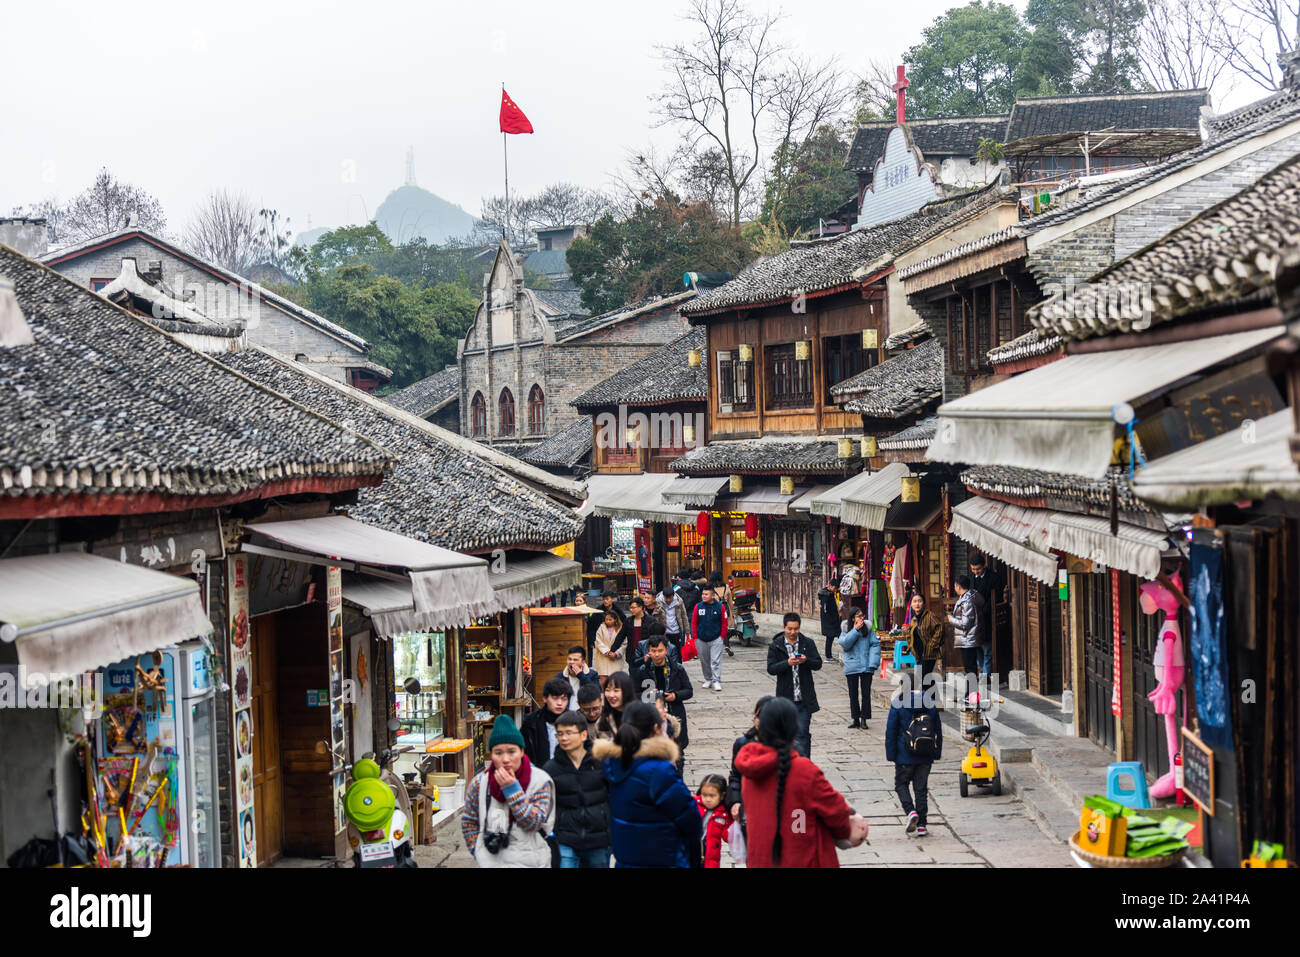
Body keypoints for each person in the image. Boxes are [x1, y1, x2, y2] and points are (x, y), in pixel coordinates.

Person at [735, 698, 869, 868]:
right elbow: (836, 812)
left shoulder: (749, 768)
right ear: (794, 729)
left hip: (761, 860)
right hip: (802, 859)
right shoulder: (803, 770)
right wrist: (849, 828)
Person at [593, 701, 702, 868]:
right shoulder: (659, 771)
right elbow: (690, 819)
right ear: (657, 729)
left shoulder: (611, 764)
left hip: (626, 860)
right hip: (663, 859)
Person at [461, 714, 556, 867]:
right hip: (492, 861)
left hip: (532, 862)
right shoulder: (480, 783)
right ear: (491, 755)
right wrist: (478, 851)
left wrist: (512, 790)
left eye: (512, 751)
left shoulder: (540, 781)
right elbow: (468, 822)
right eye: (498, 753)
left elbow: (534, 823)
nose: (505, 759)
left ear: (522, 751)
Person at [543, 711, 611, 868]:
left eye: (569, 733)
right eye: (559, 733)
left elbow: (612, 796)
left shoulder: (601, 762)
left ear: (583, 735)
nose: (563, 738)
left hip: (599, 839)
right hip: (565, 839)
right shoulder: (551, 768)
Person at [886, 681, 943, 837]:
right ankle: (922, 825)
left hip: (904, 755)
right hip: (925, 754)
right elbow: (937, 730)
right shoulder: (929, 703)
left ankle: (911, 812)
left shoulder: (898, 703)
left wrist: (891, 755)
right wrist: (936, 753)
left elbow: (890, 732)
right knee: (921, 789)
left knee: (901, 784)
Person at [766, 612, 823, 757]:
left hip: (804, 699)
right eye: (790, 629)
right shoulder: (776, 645)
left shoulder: (807, 643)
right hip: (785, 700)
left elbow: (818, 664)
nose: (792, 632)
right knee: (785, 736)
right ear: (784, 627)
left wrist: (806, 660)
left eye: (796, 629)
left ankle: (804, 766)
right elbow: (771, 668)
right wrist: (787, 663)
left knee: (803, 733)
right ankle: (788, 765)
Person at [633, 635, 693, 753]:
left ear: (666, 650)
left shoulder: (677, 668)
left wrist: (675, 696)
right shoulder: (643, 670)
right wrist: (647, 695)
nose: (656, 654)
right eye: (653, 651)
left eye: (660, 651)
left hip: (674, 712)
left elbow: (688, 691)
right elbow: (634, 694)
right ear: (648, 651)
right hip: (651, 715)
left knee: (677, 750)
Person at [726, 695, 774, 823]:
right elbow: (735, 776)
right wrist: (735, 801)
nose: (759, 721)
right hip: (749, 808)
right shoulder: (742, 744)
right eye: (757, 716)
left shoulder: (789, 748)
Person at [837, 607, 881, 730]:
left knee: (866, 694)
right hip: (852, 665)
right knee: (853, 694)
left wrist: (873, 663)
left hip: (866, 665)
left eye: (862, 615)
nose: (862, 618)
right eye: (858, 616)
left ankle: (864, 719)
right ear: (852, 618)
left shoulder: (868, 629)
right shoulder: (846, 629)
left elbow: (875, 645)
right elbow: (845, 644)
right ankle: (855, 718)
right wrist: (855, 631)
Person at [521, 677, 570, 767]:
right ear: (545, 698)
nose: (559, 703)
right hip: (538, 774)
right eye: (555, 698)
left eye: (564, 699)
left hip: (566, 774)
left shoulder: (574, 722)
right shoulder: (531, 722)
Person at [691, 584, 730, 691]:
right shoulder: (698, 607)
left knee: (715, 661)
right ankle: (708, 679)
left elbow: (724, 622)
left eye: (706, 594)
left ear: (712, 595)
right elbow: (694, 622)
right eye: (703, 594)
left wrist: (722, 636)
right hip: (701, 639)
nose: (703, 596)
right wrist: (695, 636)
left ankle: (716, 680)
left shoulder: (720, 607)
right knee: (704, 660)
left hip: (716, 638)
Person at [968, 554, 1001, 678]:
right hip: (973, 618)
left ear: (984, 566)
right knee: (974, 645)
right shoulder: (971, 579)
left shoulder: (993, 578)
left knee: (987, 648)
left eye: (978, 569)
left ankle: (986, 674)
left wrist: (983, 611)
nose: (976, 572)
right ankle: (983, 667)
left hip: (987, 616)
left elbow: (995, 597)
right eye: (973, 569)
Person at [949, 575, 983, 681]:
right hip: (968, 638)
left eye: (955, 586)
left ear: (958, 586)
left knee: (970, 668)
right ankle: (970, 695)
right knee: (970, 668)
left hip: (967, 638)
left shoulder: (967, 601)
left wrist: (951, 619)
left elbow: (965, 624)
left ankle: (971, 695)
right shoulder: (971, 596)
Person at [695, 774, 732, 869]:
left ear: (722, 796)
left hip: (711, 856)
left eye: (712, 796)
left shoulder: (724, 814)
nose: (707, 799)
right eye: (704, 795)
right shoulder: (693, 804)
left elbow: (727, 837)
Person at [909, 593, 946, 685]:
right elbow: (910, 635)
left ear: (924, 604)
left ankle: (931, 697)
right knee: (925, 678)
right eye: (915, 601)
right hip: (918, 654)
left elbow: (940, 628)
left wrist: (932, 644)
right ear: (912, 605)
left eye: (920, 601)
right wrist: (910, 647)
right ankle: (932, 697)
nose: (917, 604)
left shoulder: (930, 616)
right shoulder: (914, 619)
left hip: (929, 653)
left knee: (923, 677)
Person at [611, 596, 659, 665]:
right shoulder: (628, 621)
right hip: (632, 654)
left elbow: (656, 637)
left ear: (641, 607)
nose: (631, 610)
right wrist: (613, 650)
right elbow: (620, 636)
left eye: (633, 607)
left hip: (646, 654)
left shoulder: (651, 620)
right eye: (630, 608)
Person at [595, 671, 635, 741]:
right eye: (607, 690)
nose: (611, 695)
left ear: (627, 692)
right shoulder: (603, 721)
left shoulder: (639, 715)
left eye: (616, 691)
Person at [587, 592, 625, 662]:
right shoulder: (598, 611)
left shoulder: (618, 611)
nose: (605, 601)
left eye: (607, 599)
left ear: (612, 599)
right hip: (601, 639)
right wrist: (591, 640)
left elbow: (624, 625)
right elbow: (591, 626)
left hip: (615, 639)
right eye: (603, 599)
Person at [591, 611, 627, 684]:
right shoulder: (601, 627)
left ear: (615, 619)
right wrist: (607, 652)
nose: (607, 621)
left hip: (615, 658)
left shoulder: (621, 628)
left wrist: (616, 653)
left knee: (615, 679)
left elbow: (624, 643)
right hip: (602, 657)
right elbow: (598, 641)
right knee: (603, 679)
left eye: (610, 619)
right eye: (606, 619)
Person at [709, 571, 736, 658]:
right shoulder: (726, 587)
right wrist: (732, 612)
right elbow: (730, 602)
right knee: (724, 629)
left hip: (714, 610)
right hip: (725, 610)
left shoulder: (710, 588)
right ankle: (727, 645)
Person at [818, 582, 841, 662]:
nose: (835, 590)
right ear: (830, 586)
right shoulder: (826, 595)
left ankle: (829, 656)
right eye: (834, 588)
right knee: (831, 637)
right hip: (829, 621)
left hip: (833, 620)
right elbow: (825, 610)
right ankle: (828, 656)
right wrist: (831, 619)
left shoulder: (829, 594)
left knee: (833, 637)